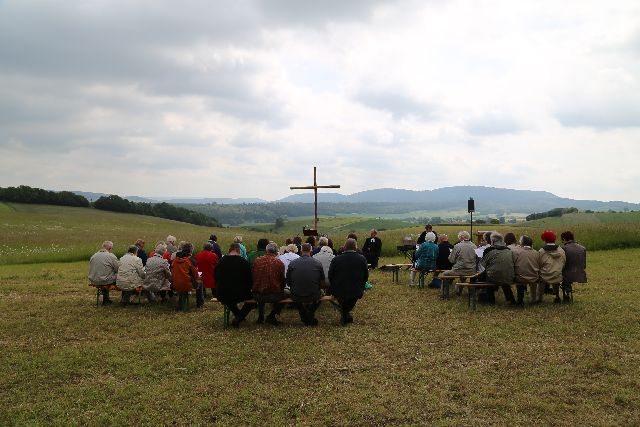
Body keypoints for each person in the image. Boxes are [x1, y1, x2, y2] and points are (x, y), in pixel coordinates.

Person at [328, 238, 369, 325]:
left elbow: (330, 276)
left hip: (338, 290)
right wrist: (361, 286)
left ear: (345, 247)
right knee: (350, 301)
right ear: (355, 247)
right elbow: (366, 276)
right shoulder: (362, 259)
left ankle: (344, 314)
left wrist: (334, 286)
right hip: (356, 290)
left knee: (343, 300)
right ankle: (346, 314)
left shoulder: (336, 259)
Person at [215, 243, 255, 327]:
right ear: (238, 250)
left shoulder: (220, 262)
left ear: (229, 250)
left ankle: (238, 315)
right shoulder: (244, 262)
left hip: (222, 293)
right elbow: (250, 281)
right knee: (253, 302)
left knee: (228, 299)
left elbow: (216, 278)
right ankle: (239, 318)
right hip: (240, 294)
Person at [286, 243, 325, 326]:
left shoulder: (292, 263)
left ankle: (303, 313)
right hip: (313, 295)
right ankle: (310, 313)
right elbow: (322, 282)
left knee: (293, 294)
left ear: (301, 251)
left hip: (296, 295)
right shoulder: (318, 263)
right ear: (311, 251)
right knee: (322, 293)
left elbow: (288, 282)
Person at [251, 242, 287, 325]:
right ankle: (271, 315)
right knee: (288, 293)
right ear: (276, 251)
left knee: (262, 287)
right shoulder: (279, 263)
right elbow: (282, 281)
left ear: (266, 250)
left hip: (257, 295)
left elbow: (253, 276)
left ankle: (261, 317)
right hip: (273, 295)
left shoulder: (257, 261)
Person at [480, 232, 516, 305]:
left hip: (493, 277)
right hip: (509, 276)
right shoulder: (508, 250)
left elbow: (482, 265)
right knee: (503, 276)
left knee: (488, 275)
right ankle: (510, 299)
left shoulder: (488, 250)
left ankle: (490, 300)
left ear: (492, 241)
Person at [171, 242, 203, 311]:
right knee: (200, 283)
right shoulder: (191, 261)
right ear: (191, 251)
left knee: (182, 282)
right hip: (186, 284)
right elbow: (196, 277)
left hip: (175, 284)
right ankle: (200, 303)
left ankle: (180, 303)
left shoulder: (174, 260)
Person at [538, 230, 566, 304]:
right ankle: (557, 296)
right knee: (556, 279)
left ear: (545, 240)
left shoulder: (541, 251)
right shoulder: (561, 250)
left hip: (544, 276)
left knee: (540, 280)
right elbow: (564, 262)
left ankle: (540, 298)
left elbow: (539, 264)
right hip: (557, 275)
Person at [88, 240, 119, 305]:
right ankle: (125, 297)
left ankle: (106, 299)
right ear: (110, 248)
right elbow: (118, 269)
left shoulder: (93, 256)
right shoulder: (111, 256)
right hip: (104, 280)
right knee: (120, 274)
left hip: (93, 279)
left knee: (105, 274)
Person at [511, 235, 540, 305]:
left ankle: (520, 300)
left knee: (519, 275)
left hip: (520, 278)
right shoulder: (536, 253)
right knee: (532, 279)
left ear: (522, 243)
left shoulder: (516, 252)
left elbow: (513, 263)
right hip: (534, 277)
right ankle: (533, 299)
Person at [560, 230, 587, 303]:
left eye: (562, 240)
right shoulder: (583, 248)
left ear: (564, 239)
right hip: (580, 272)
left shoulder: (563, 249)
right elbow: (584, 264)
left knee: (564, 276)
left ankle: (567, 297)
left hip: (568, 274)